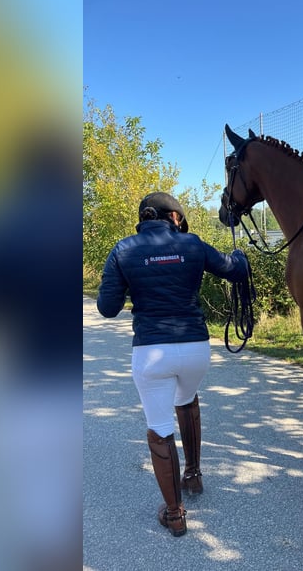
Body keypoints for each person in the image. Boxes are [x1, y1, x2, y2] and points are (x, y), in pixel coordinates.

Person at [97, 191, 249, 537]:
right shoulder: (192, 244)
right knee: (187, 399)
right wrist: (239, 256)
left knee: (159, 429)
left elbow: (107, 307)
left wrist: (132, 284)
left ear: (145, 216)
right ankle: (193, 475)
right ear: (174, 218)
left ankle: (175, 514)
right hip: (196, 348)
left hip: (151, 352)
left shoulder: (123, 249)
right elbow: (235, 270)